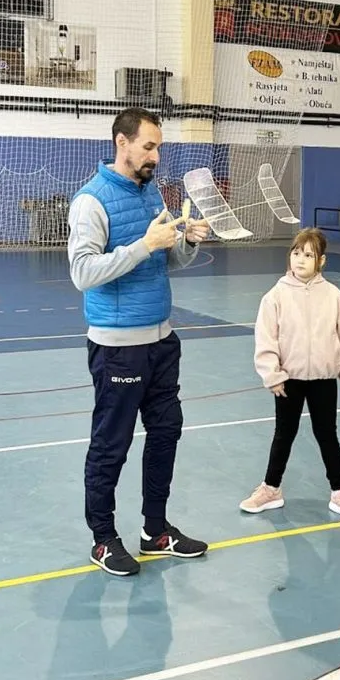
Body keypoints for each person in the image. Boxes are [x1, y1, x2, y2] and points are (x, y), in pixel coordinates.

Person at [67, 107, 210, 576]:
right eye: (148, 147)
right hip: (118, 348)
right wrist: (144, 244)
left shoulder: (151, 193)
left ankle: (156, 531)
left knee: (166, 433)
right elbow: (83, 272)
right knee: (112, 444)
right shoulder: (91, 201)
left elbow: (166, 262)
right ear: (122, 143)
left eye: (158, 147)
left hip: (162, 342)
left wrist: (188, 241)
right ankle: (103, 538)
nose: (155, 156)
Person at [240, 227, 340, 520]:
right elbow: (266, 339)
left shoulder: (334, 296)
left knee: (327, 434)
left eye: (309, 255)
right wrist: (272, 374)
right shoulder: (275, 296)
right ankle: (271, 488)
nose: (300, 259)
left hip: (323, 379)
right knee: (284, 434)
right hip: (288, 381)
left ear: (321, 261)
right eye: (296, 253)